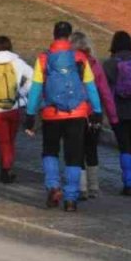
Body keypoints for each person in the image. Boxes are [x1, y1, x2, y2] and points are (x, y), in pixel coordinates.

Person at [25, 21, 103, 212]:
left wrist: (30, 113)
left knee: (50, 151)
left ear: (53, 35)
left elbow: (35, 88)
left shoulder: (43, 59)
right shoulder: (79, 58)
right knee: (74, 155)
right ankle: (70, 198)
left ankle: (53, 186)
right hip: (77, 113)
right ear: (69, 36)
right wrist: (98, 111)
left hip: (52, 113)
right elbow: (91, 87)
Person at [102, 31, 131, 196]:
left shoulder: (109, 64)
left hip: (120, 112)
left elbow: (104, 90)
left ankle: (129, 182)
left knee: (125, 147)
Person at [73, 31, 119, 199]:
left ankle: (81, 186)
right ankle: (94, 186)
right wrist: (112, 116)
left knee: (77, 149)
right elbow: (105, 92)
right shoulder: (95, 65)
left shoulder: (69, 63)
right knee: (91, 149)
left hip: (75, 113)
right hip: (93, 113)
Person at [0, 35, 33, 183]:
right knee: (11, 140)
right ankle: (8, 167)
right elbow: (33, 76)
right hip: (15, 107)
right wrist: (22, 92)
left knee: (2, 141)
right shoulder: (17, 62)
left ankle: (5, 169)